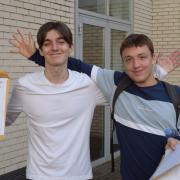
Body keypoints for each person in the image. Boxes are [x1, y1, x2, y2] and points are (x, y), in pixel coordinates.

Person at [9, 26, 180, 180]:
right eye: (129, 59)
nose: (136, 64)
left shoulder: (175, 96)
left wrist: (176, 140)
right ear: (123, 63)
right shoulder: (117, 86)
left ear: (153, 57)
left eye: (142, 57)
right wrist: (35, 56)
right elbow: (74, 65)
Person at [6, 21, 107, 180]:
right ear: (40, 50)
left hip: (79, 175)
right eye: (47, 44)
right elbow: (4, 119)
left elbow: (124, 91)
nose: (54, 48)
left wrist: (157, 73)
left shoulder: (88, 85)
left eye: (61, 42)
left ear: (70, 47)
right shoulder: (25, 85)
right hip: (38, 175)